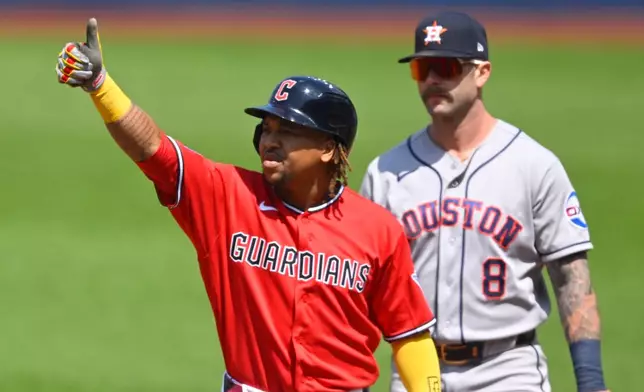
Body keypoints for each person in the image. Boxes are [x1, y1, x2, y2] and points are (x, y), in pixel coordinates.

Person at [55, 17, 443, 392]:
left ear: (329, 148)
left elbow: (408, 333)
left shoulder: (376, 229)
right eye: (266, 129)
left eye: (288, 131)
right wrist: (101, 87)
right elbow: (153, 150)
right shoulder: (226, 196)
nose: (269, 142)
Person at [359, 10, 609, 392]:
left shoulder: (533, 165)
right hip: (414, 370)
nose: (432, 80)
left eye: (445, 66)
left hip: (508, 370)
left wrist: (591, 382)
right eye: (421, 69)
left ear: (482, 72)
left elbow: (572, 280)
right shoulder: (386, 172)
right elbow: (360, 290)